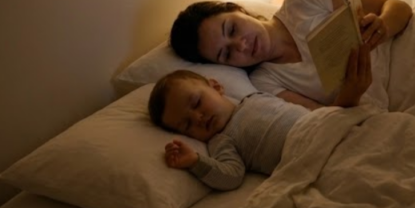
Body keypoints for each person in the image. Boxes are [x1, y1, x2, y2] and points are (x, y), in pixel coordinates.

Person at [169, 0, 412, 110]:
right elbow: (323, 120)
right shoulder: (265, 82)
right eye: (226, 54)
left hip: (410, 52)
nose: (241, 46)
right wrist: (350, 95)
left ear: (238, 10)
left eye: (232, 28)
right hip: (395, 104)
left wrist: (382, 26)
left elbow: (399, 8)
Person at [147, 49, 370, 190]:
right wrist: (196, 161)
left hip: (331, 132)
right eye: (187, 125)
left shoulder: (255, 96)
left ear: (215, 86)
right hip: (314, 159)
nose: (198, 117)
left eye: (196, 103)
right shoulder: (221, 141)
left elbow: (313, 114)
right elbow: (231, 176)